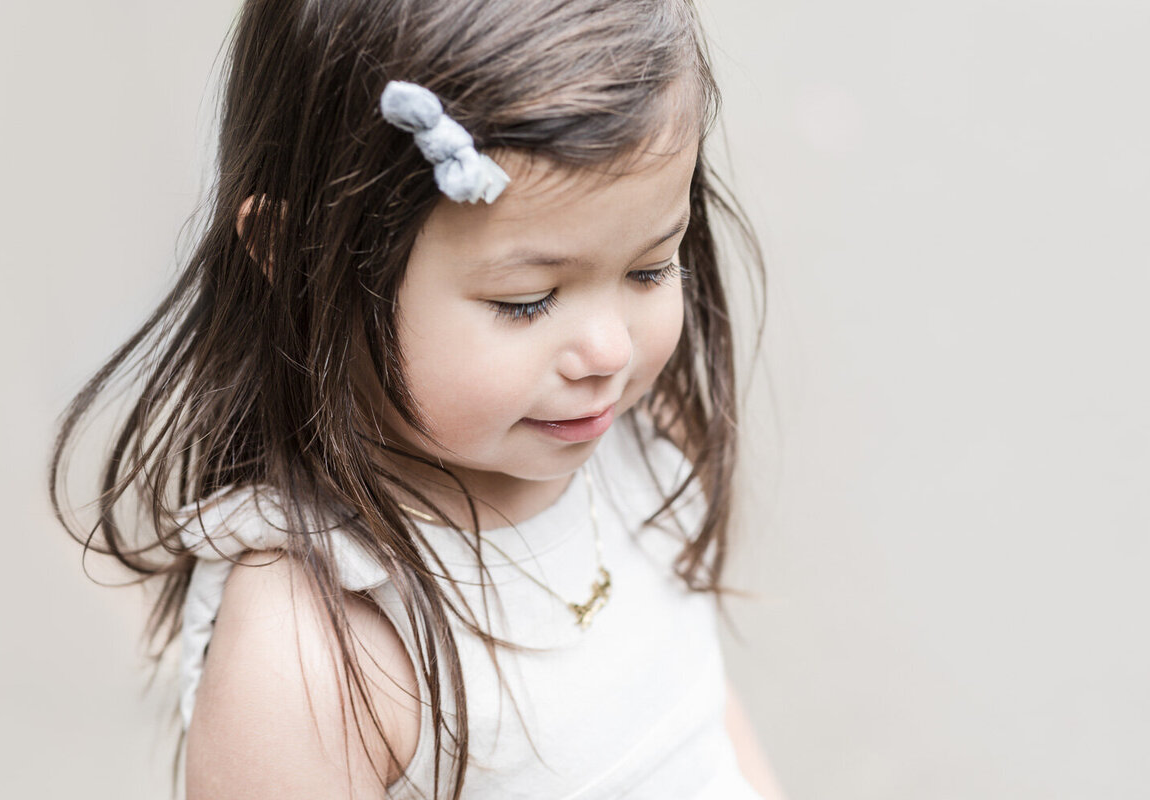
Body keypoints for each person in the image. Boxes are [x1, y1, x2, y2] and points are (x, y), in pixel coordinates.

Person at [48, 0, 786, 798]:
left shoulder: (634, 441)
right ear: (303, 267)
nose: (611, 351)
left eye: (649, 269)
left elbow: (703, 726)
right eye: (527, 300)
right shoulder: (320, 646)